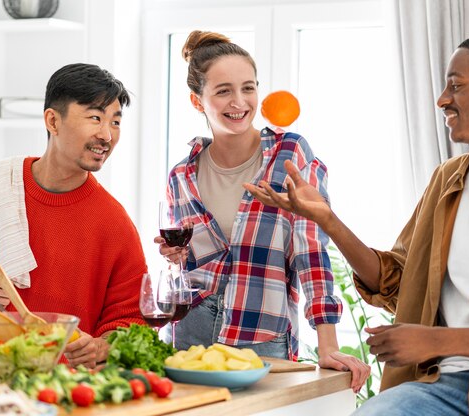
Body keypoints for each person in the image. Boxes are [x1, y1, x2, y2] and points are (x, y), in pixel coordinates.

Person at [245, 33, 469, 415]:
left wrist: (436, 341)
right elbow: (397, 281)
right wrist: (327, 220)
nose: (442, 99)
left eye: (456, 86)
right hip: (437, 387)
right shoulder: (446, 179)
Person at [155, 30, 369, 392]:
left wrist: (328, 343)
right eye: (223, 91)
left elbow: (310, 251)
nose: (239, 101)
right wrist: (176, 255)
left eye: (248, 88)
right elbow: (187, 268)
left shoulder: (290, 154)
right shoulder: (181, 174)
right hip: (189, 338)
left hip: (261, 336)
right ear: (197, 101)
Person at [0, 63, 148, 376]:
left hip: (60, 398)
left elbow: (133, 322)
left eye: (116, 121)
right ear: (53, 120)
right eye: (95, 117)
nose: (106, 134)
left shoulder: (114, 223)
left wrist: (99, 346)